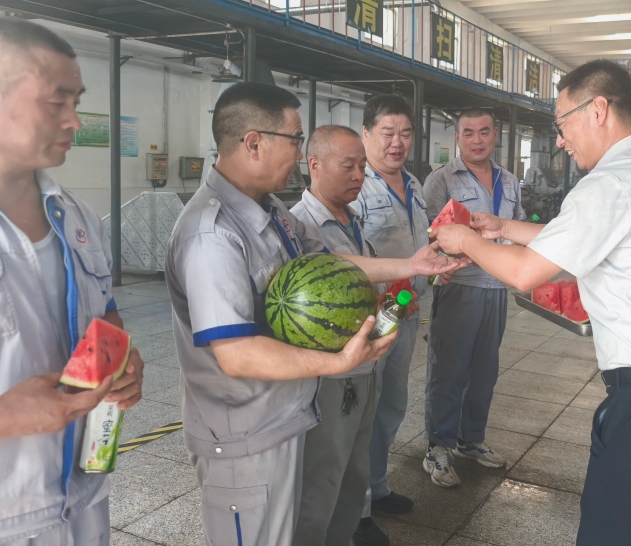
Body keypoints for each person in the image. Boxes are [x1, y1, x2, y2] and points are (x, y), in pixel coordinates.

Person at [432, 60, 631, 546]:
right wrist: (501, 228)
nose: (559, 140)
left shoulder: (611, 181)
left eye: (562, 123)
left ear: (598, 110)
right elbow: (586, 237)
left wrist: (462, 240)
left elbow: (525, 272)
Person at [165, 83, 462, 546]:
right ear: (254, 142)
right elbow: (237, 354)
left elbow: (333, 264)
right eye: (295, 139)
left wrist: (412, 265)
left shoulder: (271, 211)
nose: (301, 153)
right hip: (244, 434)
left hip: (284, 414)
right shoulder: (214, 234)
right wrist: (339, 363)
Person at [0, 18, 145, 545]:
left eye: (75, 102)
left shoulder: (76, 217)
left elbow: (104, 314)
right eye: (56, 102)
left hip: (83, 496)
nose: (75, 121)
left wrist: (122, 358)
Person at [421, 108, 525, 487]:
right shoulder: (441, 180)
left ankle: (470, 440)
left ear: (495, 134)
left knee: (484, 371)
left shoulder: (510, 181)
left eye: (484, 131)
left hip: (498, 286)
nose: (477, 139)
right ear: (458, 138)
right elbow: (430, 233)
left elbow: (518, 226)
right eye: (468, 133)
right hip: (459, 288)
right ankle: (437, 447)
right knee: (448, 369)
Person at [291, 126, 385, 546]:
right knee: (324, 477)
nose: (359, 175)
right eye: (348, 165)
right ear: (315, 165)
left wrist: (390, 303)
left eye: (363, 166)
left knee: (354, 472)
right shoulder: (298, 225)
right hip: (331, 378)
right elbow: (328, 288)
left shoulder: (353, 218)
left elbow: (359, 292)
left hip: (365, 366)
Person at [350, 94, 431, 546]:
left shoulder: (414, 184)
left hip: (407, 306)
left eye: (404, 133)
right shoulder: (357, 186)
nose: (396, 143)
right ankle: (357, 508)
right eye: (387, 133)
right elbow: (351, 256)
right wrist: (389, 294)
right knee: (365, 404)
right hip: (376, 311)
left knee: (392, 402)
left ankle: (377, 486)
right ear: (366, 134)